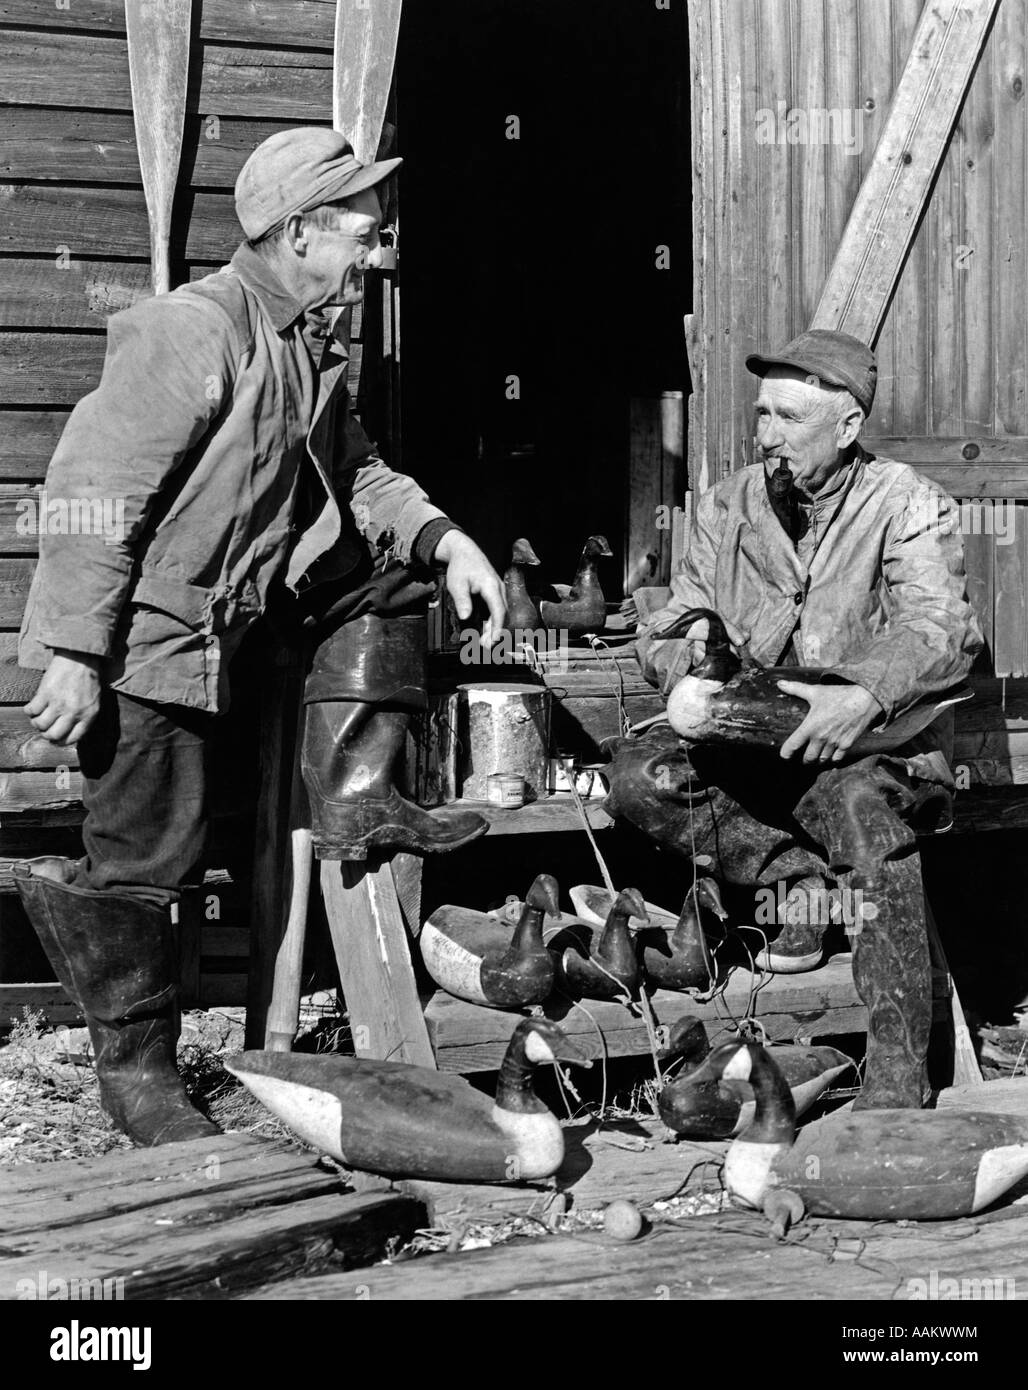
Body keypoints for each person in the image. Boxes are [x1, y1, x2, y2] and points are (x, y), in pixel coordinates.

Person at [12, 128, 506, 1145]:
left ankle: (362, 793)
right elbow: (93, 492)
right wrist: (72, 649)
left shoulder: (312, 347)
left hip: (237, 629)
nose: (378, 250)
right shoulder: (193, 332)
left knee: (396, 580)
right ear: (298, 234)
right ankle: (138, 1076)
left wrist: (445, 539)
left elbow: (360, 474)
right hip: (152, 641)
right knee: (146, 856)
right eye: (362, 231)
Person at [605, 329, 982, 1109]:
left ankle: (896, 1080)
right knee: (638, 779)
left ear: (847, 428)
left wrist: (863, 693)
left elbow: (942, 632)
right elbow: (667, 623)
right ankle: (795, 879)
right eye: (761, 414)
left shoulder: (907, 502)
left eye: (787, 418)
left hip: (865, 748)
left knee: (871, 827)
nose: (765, 434)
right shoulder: (727, 502)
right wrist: (688, 648)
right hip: (753, 746)